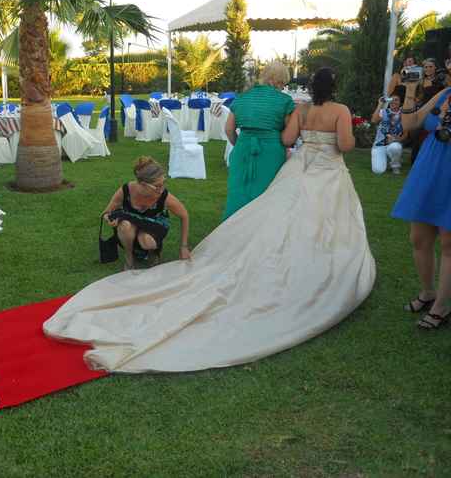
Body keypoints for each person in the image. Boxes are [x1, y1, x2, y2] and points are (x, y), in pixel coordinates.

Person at [44, 67, 375, 373]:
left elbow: (248, 133)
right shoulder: (320, 108)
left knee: (259, 211)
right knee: (307, 217)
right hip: (313, 167)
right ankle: (308, 259)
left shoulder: (282, 106)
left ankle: (244, 249)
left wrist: (248, 142)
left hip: (258, 153)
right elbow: (336, 143)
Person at [391, 78, 451, 329]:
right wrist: (411, 92)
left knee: (449, 242)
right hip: (430, 167)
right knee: (419, 237)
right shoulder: (445, 93)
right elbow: (411, 123)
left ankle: (442, 306)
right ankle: (428, 292)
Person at [223, 60, 299, 219]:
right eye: (282, 83)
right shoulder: (284, 101)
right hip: (271, 152)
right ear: (277, 81)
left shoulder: (242, 97)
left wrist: (240, 144)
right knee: (267, 195)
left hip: (242, 149)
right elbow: (288, 135)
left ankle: (232, 234)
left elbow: (229, 129)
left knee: (238, 194)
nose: (282, 87)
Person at [102, 157, 190, 271]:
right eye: (157, 186)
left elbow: (184, 216)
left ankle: (154, 253)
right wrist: (109, 218)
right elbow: (106, 212)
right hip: (131, 226)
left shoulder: (164, 196)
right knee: (125, 226)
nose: (162, 189)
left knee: (147, 241)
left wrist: (183, 247)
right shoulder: (126, 190)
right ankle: (129, 257)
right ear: (143, 184)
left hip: (153, 227)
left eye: (164, 183)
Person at [408, 58, 446, 163]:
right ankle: (415, 160)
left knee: (432, 136)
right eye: (426, 67)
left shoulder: (441, 81)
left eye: (430, 66)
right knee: (417, 135)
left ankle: (431, 160)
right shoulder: (420, 82)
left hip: (436, 112)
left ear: (435, 68)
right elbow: (416, 97)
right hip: (422, 111)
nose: (428, 69)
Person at [370, 95, 407, 174]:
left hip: (393, 144)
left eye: (396, 100)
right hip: (380, 144)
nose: (393, 102)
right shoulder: (383, 111)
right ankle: (385, 158)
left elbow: (406, 133)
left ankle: (395, 165)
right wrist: (380, 104)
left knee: (396, 147)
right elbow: (374, 120)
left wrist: (396, 139)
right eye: (391, 100)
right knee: (378, 171)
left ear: (400, 102)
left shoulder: (403, 114)